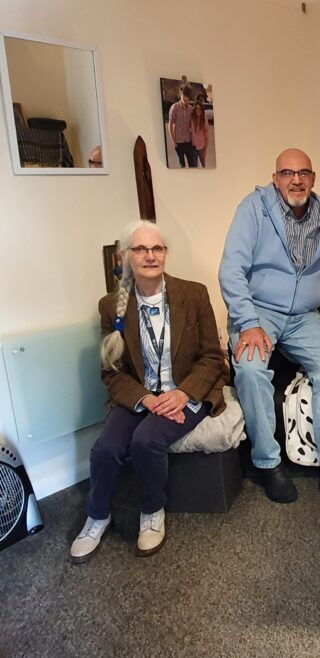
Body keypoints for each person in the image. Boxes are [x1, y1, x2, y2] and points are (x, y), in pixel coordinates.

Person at [219, 148, 320, 518]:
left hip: (305, 315)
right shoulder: (253, 209)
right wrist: (248, 322)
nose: (296, 180)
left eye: (303, 173)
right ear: (275, 178)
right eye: (287, 173)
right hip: (258, 311)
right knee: (251, 369)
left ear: (313, 178)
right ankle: (267, 463)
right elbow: (231, 271)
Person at [70, 221, 226, 562]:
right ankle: (98, 515)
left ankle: (152, 510)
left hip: (186, 390)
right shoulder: (111, 306)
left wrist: (183, 394)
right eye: (140, 249)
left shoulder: (194, 293)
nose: (150, 255)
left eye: (157, 248)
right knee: (105, 449)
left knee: (146, 440)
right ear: (126, 256)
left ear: (166, 254)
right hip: (141, 394)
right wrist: (144, 398)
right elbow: (111, 372)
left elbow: (212, 357)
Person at [168, 84, 197, 168]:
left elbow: (193, 124)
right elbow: (169, 125)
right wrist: (174, 143)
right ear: (180, 95)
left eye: (187, 96)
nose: (186, 98)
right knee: (182, 164)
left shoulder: (191, 109)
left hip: (188, 141)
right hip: (178, 142)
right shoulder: (174, 108)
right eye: (184, 96)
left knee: (192, 164)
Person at [190, 101, 209, 168]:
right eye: (196, 108)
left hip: (201, 147)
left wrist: (205, 151)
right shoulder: (192, 118)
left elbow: (207, 137)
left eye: (200, 108)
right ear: (194, 109)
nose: (198, 110)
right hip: (193, 147)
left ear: (202, 110)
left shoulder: (204, 119)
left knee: (203, 166)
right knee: (194, 167)